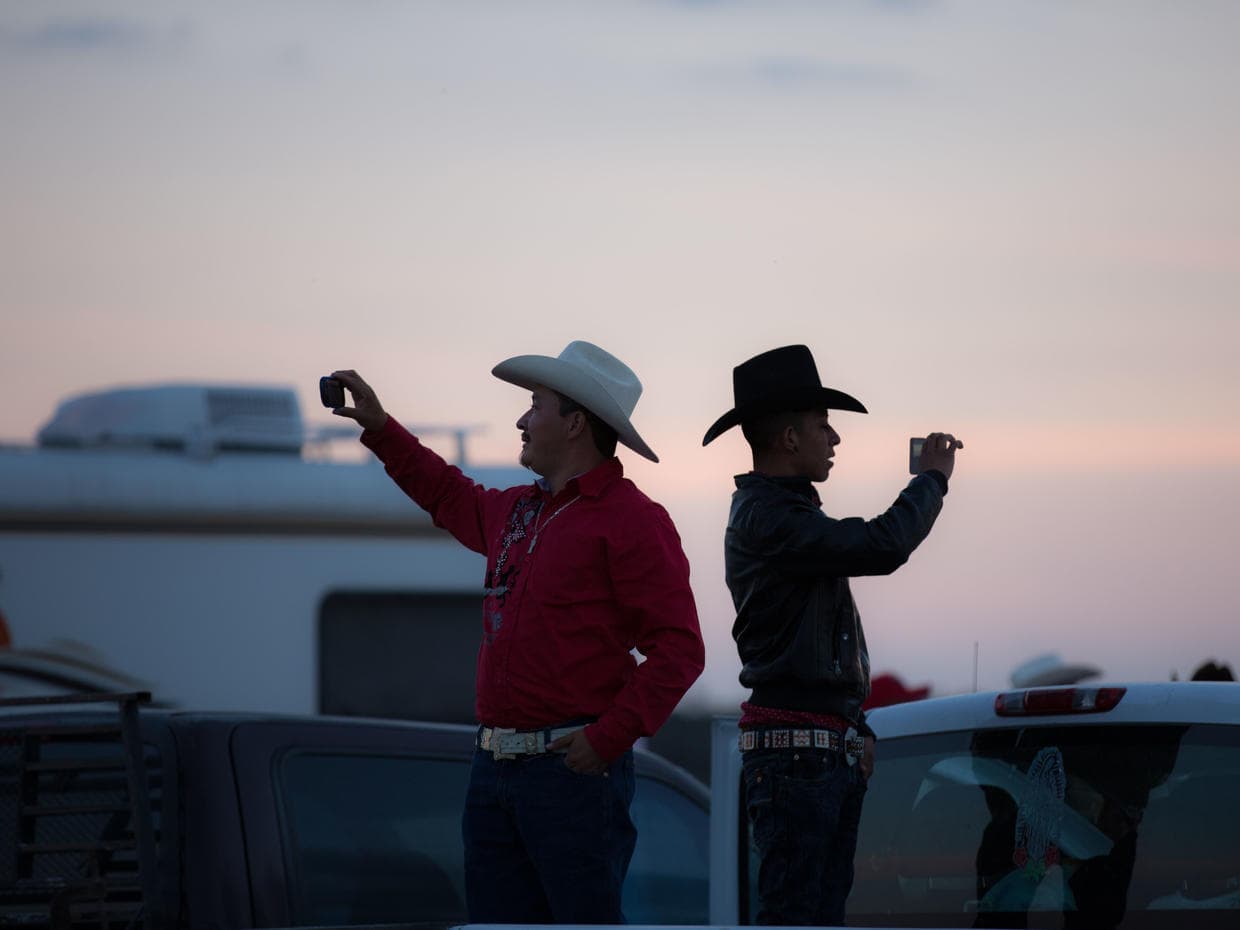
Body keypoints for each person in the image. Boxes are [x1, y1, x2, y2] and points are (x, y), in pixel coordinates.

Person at [330, 341, 704, 924]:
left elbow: (679, 650)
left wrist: (605, 740)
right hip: (498, 771)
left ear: (576, 422)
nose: (521, 420)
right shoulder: (520, 511)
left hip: (571, 777)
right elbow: (445, 492)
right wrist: (380, 428)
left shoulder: (633, 520)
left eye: (535, 405)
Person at [702, 343, 961, 925]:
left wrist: (853, 726)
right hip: (798, 762)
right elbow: (881, 545)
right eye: (824, 426)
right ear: (790, 439)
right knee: (800, 917)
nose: (834, 439)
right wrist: (931, 482)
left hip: (811, 757)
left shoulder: (779, 516)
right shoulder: (770, 518)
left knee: (811, 914)